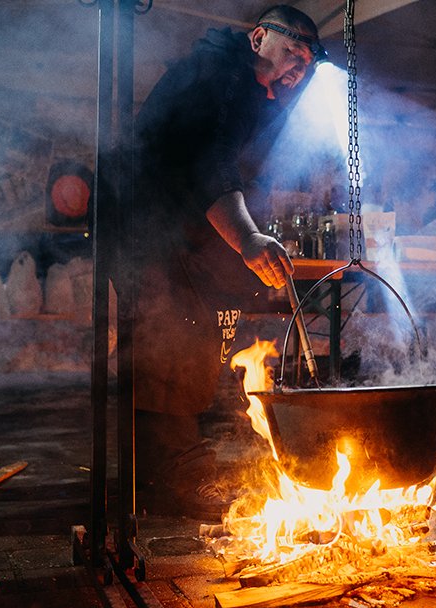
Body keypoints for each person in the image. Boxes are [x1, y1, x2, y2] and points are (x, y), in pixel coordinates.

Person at [122, 5, 323, 517]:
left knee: (194, 349)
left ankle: (167, 469)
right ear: (258, 37)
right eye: (293, 50)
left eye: (308, 60)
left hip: (184, 238)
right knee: (169, 346)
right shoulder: (218, 75)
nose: (300, 64)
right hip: (152, 231)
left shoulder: (253, 93)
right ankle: (174, 477)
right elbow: (206, 164)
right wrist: (249, 237)